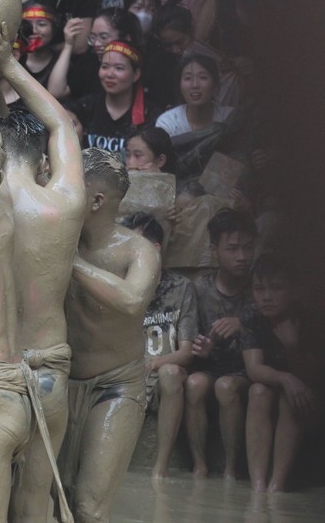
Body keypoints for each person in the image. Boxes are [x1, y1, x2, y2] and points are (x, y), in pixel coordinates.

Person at [0, 22, 87, 522]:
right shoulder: (64, 201)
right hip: (48, 369)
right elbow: (62, 123)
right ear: (43, 160)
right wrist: (8, 64)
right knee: (33, 502)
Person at [61, 148, 161, 523]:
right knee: (51, 500)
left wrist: (69, 261)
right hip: (59, 379)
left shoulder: (139, 251)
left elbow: (133, 300)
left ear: (97, 200)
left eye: (70, 183)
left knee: (89, 507)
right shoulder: (53, 232)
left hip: (116, 385)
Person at [121, 212, 198, 481]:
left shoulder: (181, 287)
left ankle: (160, 468)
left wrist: (153, 363)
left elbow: (187, 352)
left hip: (161, 370)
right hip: (129, 373)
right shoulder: (120, 286)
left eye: (133, 246)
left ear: (155, 249)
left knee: (171, 373)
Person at [186, 209, 257, 480]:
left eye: (248, 248)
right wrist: (201, 349)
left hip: (247, 370)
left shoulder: (259, 286)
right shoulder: (200, 289)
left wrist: (242, 323)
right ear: (214, 250)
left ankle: (230, 468)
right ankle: (199, 464)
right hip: (212, 365)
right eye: (233, 248)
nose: (242, 256)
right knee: (195, 384)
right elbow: (194, 339)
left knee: (226, 387)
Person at [242, 254, 322, 493]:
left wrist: (292, 347)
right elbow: (254, 368)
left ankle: (276, 485)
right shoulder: (252, 315)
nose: (266, 297)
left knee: (291, 399)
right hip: (276, 385)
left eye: (276, 289)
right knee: (258, 391)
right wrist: (286, 378)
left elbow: (315, 376)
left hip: (309, 395)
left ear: (294, 290)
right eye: (259, 289)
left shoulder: (309, 316)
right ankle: (258, 486)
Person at [72, 40, 152, 155]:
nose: (109, 74)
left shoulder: (149, 115)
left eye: (119, 68)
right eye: (105, 67)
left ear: (136, 74)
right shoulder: (85, 107)